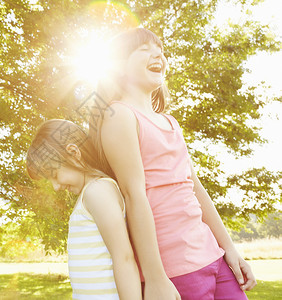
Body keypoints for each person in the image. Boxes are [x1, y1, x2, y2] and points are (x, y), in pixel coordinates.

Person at [88, 28, 257, 300]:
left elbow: (197, 190)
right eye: (144, 49)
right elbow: (134, 196)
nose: (158, 54)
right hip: (174, 270)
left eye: (161, 50)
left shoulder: (170, 122)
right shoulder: (119, 114)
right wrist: (155, 278)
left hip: (212, 256)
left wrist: (230, 250)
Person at [26, 119, 141, 299]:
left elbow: (124, 258)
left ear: (73, 153)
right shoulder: (90, 194)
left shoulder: (97, 191)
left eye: (54, 175)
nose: (55, 187)